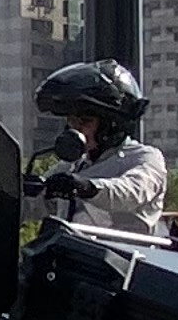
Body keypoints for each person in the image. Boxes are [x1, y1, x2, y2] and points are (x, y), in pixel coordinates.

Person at [27, 57, 168, 236]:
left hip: (124, 253)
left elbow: (130, 192)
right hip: (70, 251)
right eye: (71, 121)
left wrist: (86, 187)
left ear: (111, 125)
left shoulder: (144, 158)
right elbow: (30, 206)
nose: (75, 129)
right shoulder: (70, 168)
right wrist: (20, 189)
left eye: (85, 121)